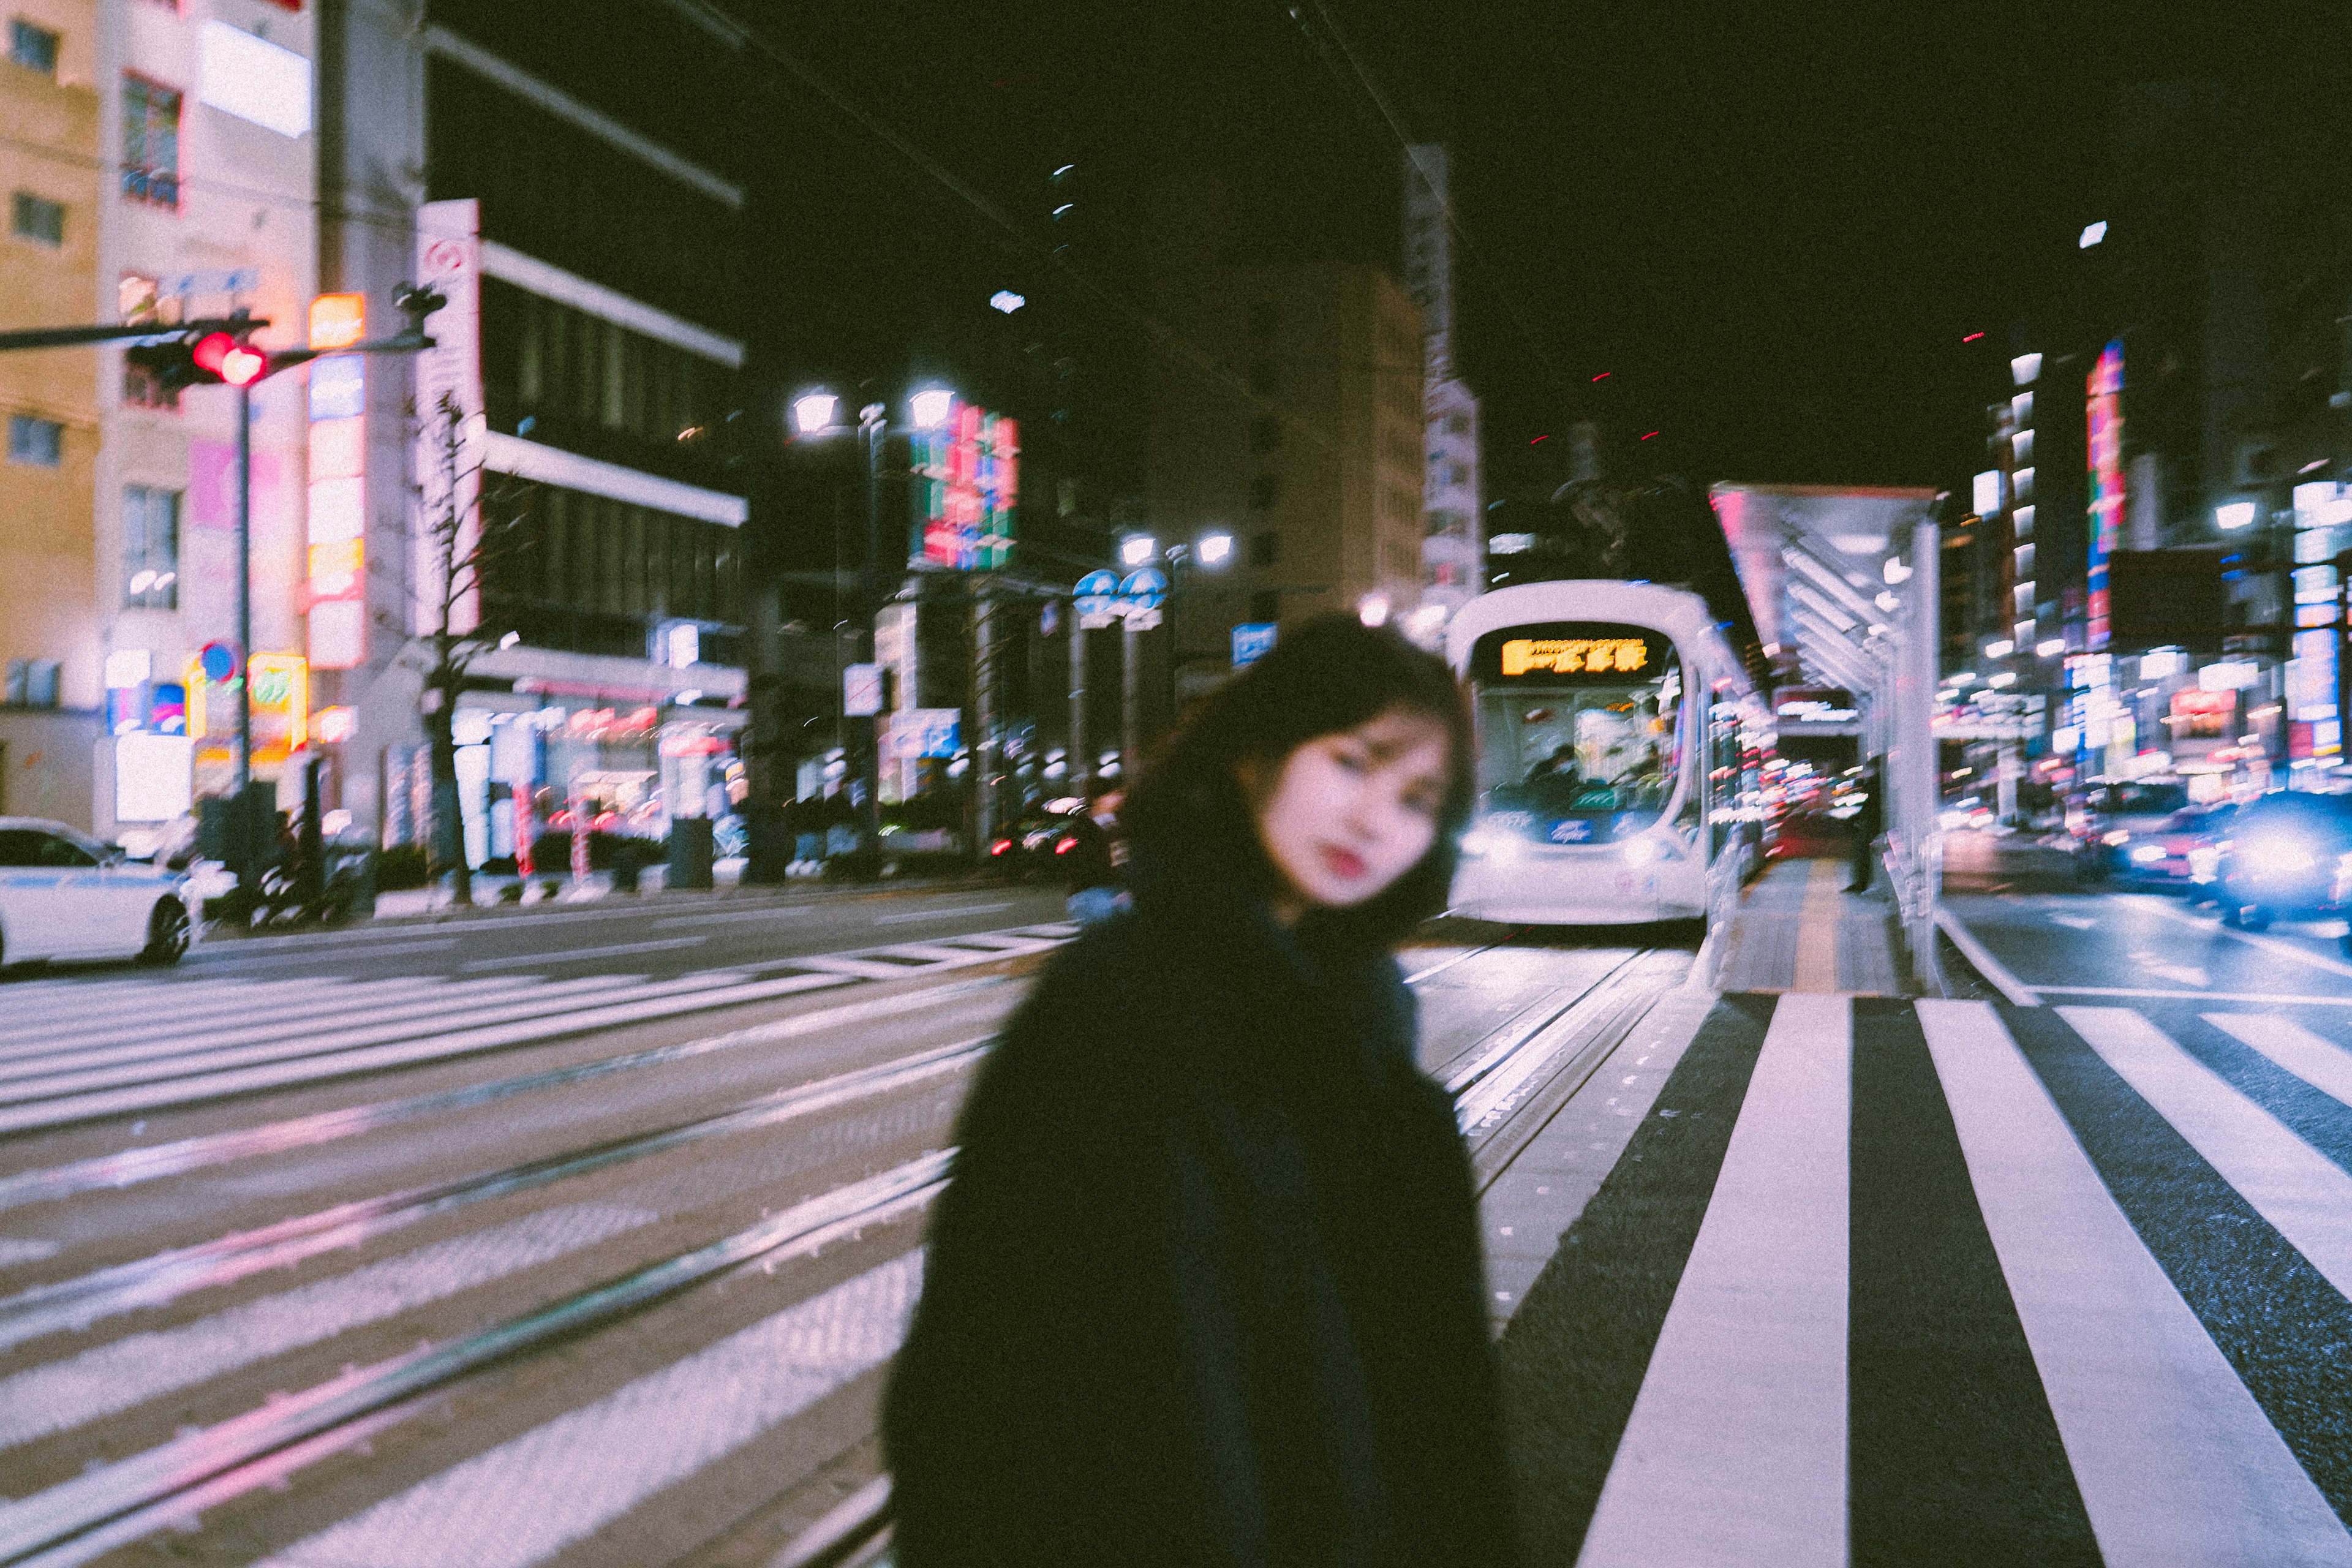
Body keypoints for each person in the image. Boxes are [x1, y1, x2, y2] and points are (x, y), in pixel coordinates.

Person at [884, 613, 1517, 1568]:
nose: (1375, 818)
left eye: (1419, 798)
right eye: (1351, 761)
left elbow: (1435, 1418)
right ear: (1252, 757)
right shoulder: (1119, 1003)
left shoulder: (1372, 1049)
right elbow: (969, 1362)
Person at [1058, 784, 1128, 925]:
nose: (1118, 798)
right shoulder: (1083, 828)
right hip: (1091, 891)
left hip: (1117, 888)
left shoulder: (1117, 822)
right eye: (1112, 794)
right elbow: (1081, 864)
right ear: (1099, 799)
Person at [1848, 755, 1885, 892]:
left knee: (1862, 850)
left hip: (1875, 822)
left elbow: (1871, 804)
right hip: (1875, 820)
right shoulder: (1878, 781)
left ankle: (1861, 883)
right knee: (1862, 851)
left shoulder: (1877, 782)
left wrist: (1855, 818)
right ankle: (1860, 883)